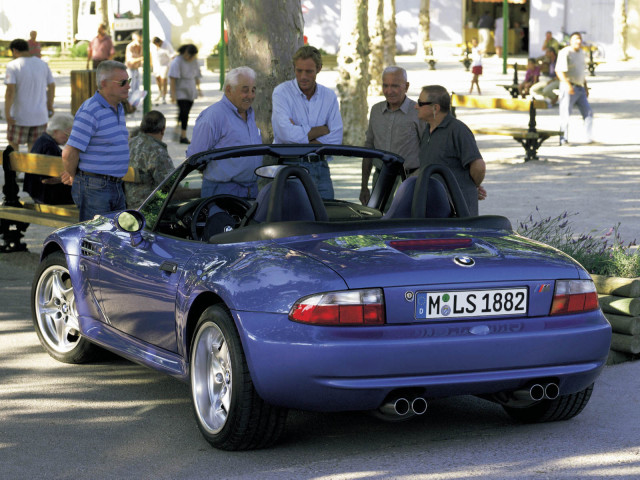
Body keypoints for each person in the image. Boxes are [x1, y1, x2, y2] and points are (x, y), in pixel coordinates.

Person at [61, 60, 130, 221]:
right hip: (95, 187)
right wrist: (74, 177)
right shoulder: (91, 110)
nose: (128, 86)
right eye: (123, 82)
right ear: (104, 84)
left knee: (116, 238)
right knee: (97, 240)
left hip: (115, 185)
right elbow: (69, 153)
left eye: (129, 81)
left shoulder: (118, 107)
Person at [272, 45, 343, 199]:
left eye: (309, 71)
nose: (303, 76)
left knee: (325, 217)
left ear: (319, 69)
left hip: (321, 168)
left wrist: (298, 132)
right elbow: (285, 135)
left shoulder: (329, 96)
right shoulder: (281, 93)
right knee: (294, 219)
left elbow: (336, 138)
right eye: (299, 70)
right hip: (291, 167)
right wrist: (322, 130)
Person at [186, 67, 262, 198]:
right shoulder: (213, 116)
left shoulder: (249, 113)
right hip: (223, 192)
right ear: (228, 90)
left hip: (251, 190)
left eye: (253, 90)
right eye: (245, 90)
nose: (250, 96)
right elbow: (195, 158)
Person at [415, 85, 486, 216]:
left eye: (420, 103)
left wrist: (468, 187)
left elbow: (479, 167)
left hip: (457, 214)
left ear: (435, 108)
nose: (416, 106)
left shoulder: (458, 130)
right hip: (433, 210)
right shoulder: (427, 130)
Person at [359, 66, 425, 205]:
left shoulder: (417, 112)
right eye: (385, 85)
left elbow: (429, 149)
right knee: (380, 219)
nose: (389, 91)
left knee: (405, 221)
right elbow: (369, 147)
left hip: (409, 180)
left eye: (395, 86)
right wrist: (364, 186)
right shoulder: (376, 110)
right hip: (381, 179)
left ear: (406, 86)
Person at [4, 38, 55, 152]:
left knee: (13, 149)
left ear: (14, 50)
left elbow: (10, 92)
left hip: (18, 117)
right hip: (40, 116)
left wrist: (7, 113)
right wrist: (50, 105)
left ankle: (14, 170)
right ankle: (30, 170)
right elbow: (51, 86)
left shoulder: (13, 66)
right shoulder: (42, 64)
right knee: (34, 150)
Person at [126, 110, 175, 208]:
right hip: (150, 210)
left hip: (128, 207)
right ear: (163, 130)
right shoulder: (158, 152)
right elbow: (172, 187)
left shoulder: (129, 144)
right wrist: (198, 192)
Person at [24, 113, 74, 205]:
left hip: (36, 192)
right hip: (46, 195)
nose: (68, 139)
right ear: (55, 131)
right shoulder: (49, 147)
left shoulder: (42, 140)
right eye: (67, 135)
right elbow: (46, 180)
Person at [556, 32, 593, 145]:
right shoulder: (565, 52)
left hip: (580, 87)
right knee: (565, 114)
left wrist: (585, 87)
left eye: (580, 39)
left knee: (588, 112)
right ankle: (563, 139)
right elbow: (559, 71)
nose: (578, 41)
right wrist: (567, 85)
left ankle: (588, 137)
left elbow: (582, 72)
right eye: (576, 39)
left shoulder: (582, 53)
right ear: (571, 41)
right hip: (569, 86)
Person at [169, 44, 202, 144]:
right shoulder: (177, 61)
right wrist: (173, 94)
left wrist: (199, 89)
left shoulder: (195, 61)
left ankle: (178, 128)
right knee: (184, 111)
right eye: (187, 55)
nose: (188, 58)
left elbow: (197, 75)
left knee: (185, 111)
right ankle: (183, 135)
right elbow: (172, 78)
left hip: (190, 89)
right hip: (180, 89)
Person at [151, 36, 174, 104]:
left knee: (163, 80)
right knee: (157, 79)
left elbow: (172, 55)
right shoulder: (153, 46)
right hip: (156, 65)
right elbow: (151, 54)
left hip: (165, 65)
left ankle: (164, 96)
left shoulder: (166, 45)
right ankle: (160, 92)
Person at [125, 31, 143, 96]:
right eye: (138, 40)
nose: (140, 42)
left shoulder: (141, 47)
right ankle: (129, 104)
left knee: (137, 89)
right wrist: (141, 59)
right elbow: (130, 60)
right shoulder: (130, 47)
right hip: (130, 69)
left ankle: (134, 105)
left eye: (141, 40)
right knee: (131, 89)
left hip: (136, 69)